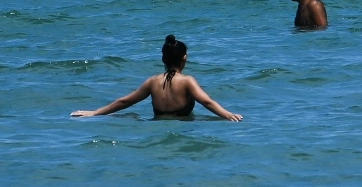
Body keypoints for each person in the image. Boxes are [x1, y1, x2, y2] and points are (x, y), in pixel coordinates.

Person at [71, 35, 243, 121]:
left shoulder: (152, 82)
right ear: (184, 58)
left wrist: (95, 112)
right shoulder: (187, 81)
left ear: (163, 59)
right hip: (181, 130)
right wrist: (228, 115)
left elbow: (125, 102)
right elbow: (207, 102)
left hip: (157, 128)